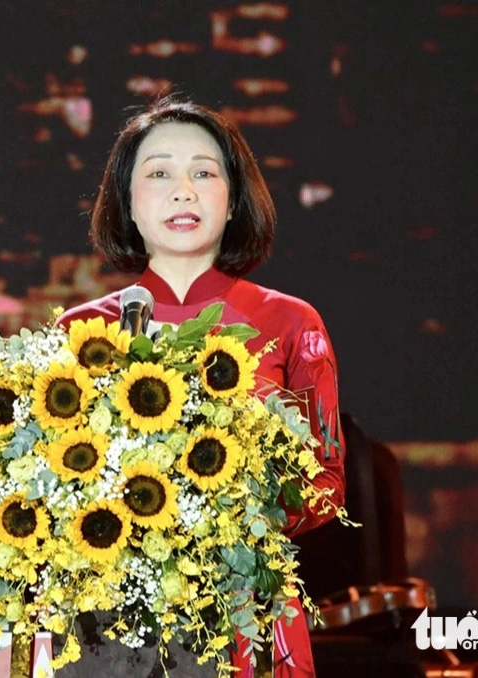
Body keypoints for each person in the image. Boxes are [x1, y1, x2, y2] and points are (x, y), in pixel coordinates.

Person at [55, 97, 346, 678]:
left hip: (243, 616)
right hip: (105, 626)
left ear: (233, 200)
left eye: (204, 173)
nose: (182, 190)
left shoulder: (292, 323)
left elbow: (328, 484)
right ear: (128, 203)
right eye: (158, 173)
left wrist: (224, 511)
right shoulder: (78, 333)